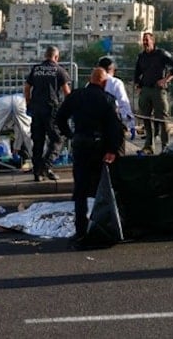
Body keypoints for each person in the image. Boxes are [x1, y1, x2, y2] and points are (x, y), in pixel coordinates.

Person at [56, 67, 125, 245]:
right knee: (100, 189)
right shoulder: (108, 99)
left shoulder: (76, 95)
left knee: (80, 188)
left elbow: (60, 117)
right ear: (103, 82)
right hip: (99, 146)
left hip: (80, 144)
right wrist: (112, 150)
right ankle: (100, 227)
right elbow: (114, 128)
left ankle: (80, 230)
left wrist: (70, 134)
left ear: (90, 79)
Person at [25, 45, 71, 182]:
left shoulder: (36, 69)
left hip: (36, 109)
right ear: (56, 57)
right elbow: (67, 92)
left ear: (45, 56)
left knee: (38, 141)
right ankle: (45, 167)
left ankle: (37, 172)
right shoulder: (59, 70)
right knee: (57, 139)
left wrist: (28, 103)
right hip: (51, 109)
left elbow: (27, 88)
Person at [134, 32, 173, 154]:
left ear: (152, 41)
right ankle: (149, 145)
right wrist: (138, 85)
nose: (145, 43)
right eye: (143, 40)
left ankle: (165, 146)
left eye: (147, 40)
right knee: (146, 118)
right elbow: (137, 72)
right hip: (145, 90)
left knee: (162, 119)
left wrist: (166, 80)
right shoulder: (141, 56)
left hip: (158, 90)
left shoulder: (161, 54)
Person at [97, 56, 137, 140]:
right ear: (111, 69)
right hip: (112, 122)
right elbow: (123, 103)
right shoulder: (116, 83)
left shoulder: (91, 82)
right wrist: (131, 124)